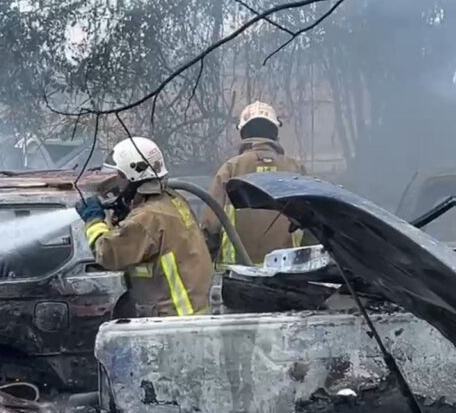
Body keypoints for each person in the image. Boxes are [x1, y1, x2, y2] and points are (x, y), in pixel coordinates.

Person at [76, 137, 213, 318]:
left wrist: (93, 220)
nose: (118, 182)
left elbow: (107, 253)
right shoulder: (172, 199)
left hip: (172, 319)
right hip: (191, 312)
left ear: (131, 176)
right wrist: (126, 213)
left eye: (120, 176)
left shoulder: (146, 218)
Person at [201, 101, 307, 266]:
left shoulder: (230, 169)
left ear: (243, 133)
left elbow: (211, 226)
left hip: (239, 272)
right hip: (290, 271)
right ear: (274, 132)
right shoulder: (295, 169)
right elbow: (316, 224)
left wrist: (205, 263)